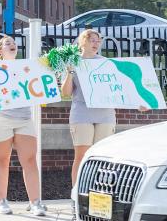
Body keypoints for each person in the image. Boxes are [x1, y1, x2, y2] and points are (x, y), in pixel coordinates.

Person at [61, 28, 149, 187]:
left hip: (105, 115)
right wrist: (69, 73)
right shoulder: (73, 63)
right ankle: (76, 192)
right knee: (81, 156)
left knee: (102, 156)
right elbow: (66, 93)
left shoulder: (106, 63)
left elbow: (122, 87)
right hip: (82, 114)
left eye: (98, 40)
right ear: (83, 42)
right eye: (91, 40)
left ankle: (97, 191)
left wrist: (138, 104)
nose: (96, 43)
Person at [0, 36, 47, 217]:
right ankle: (1, 201)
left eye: (13, 43)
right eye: (7, 43)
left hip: (24, 119)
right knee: (1, 160)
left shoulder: (27, 66)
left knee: (29, 160)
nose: (12, 45)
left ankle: (35, 202)